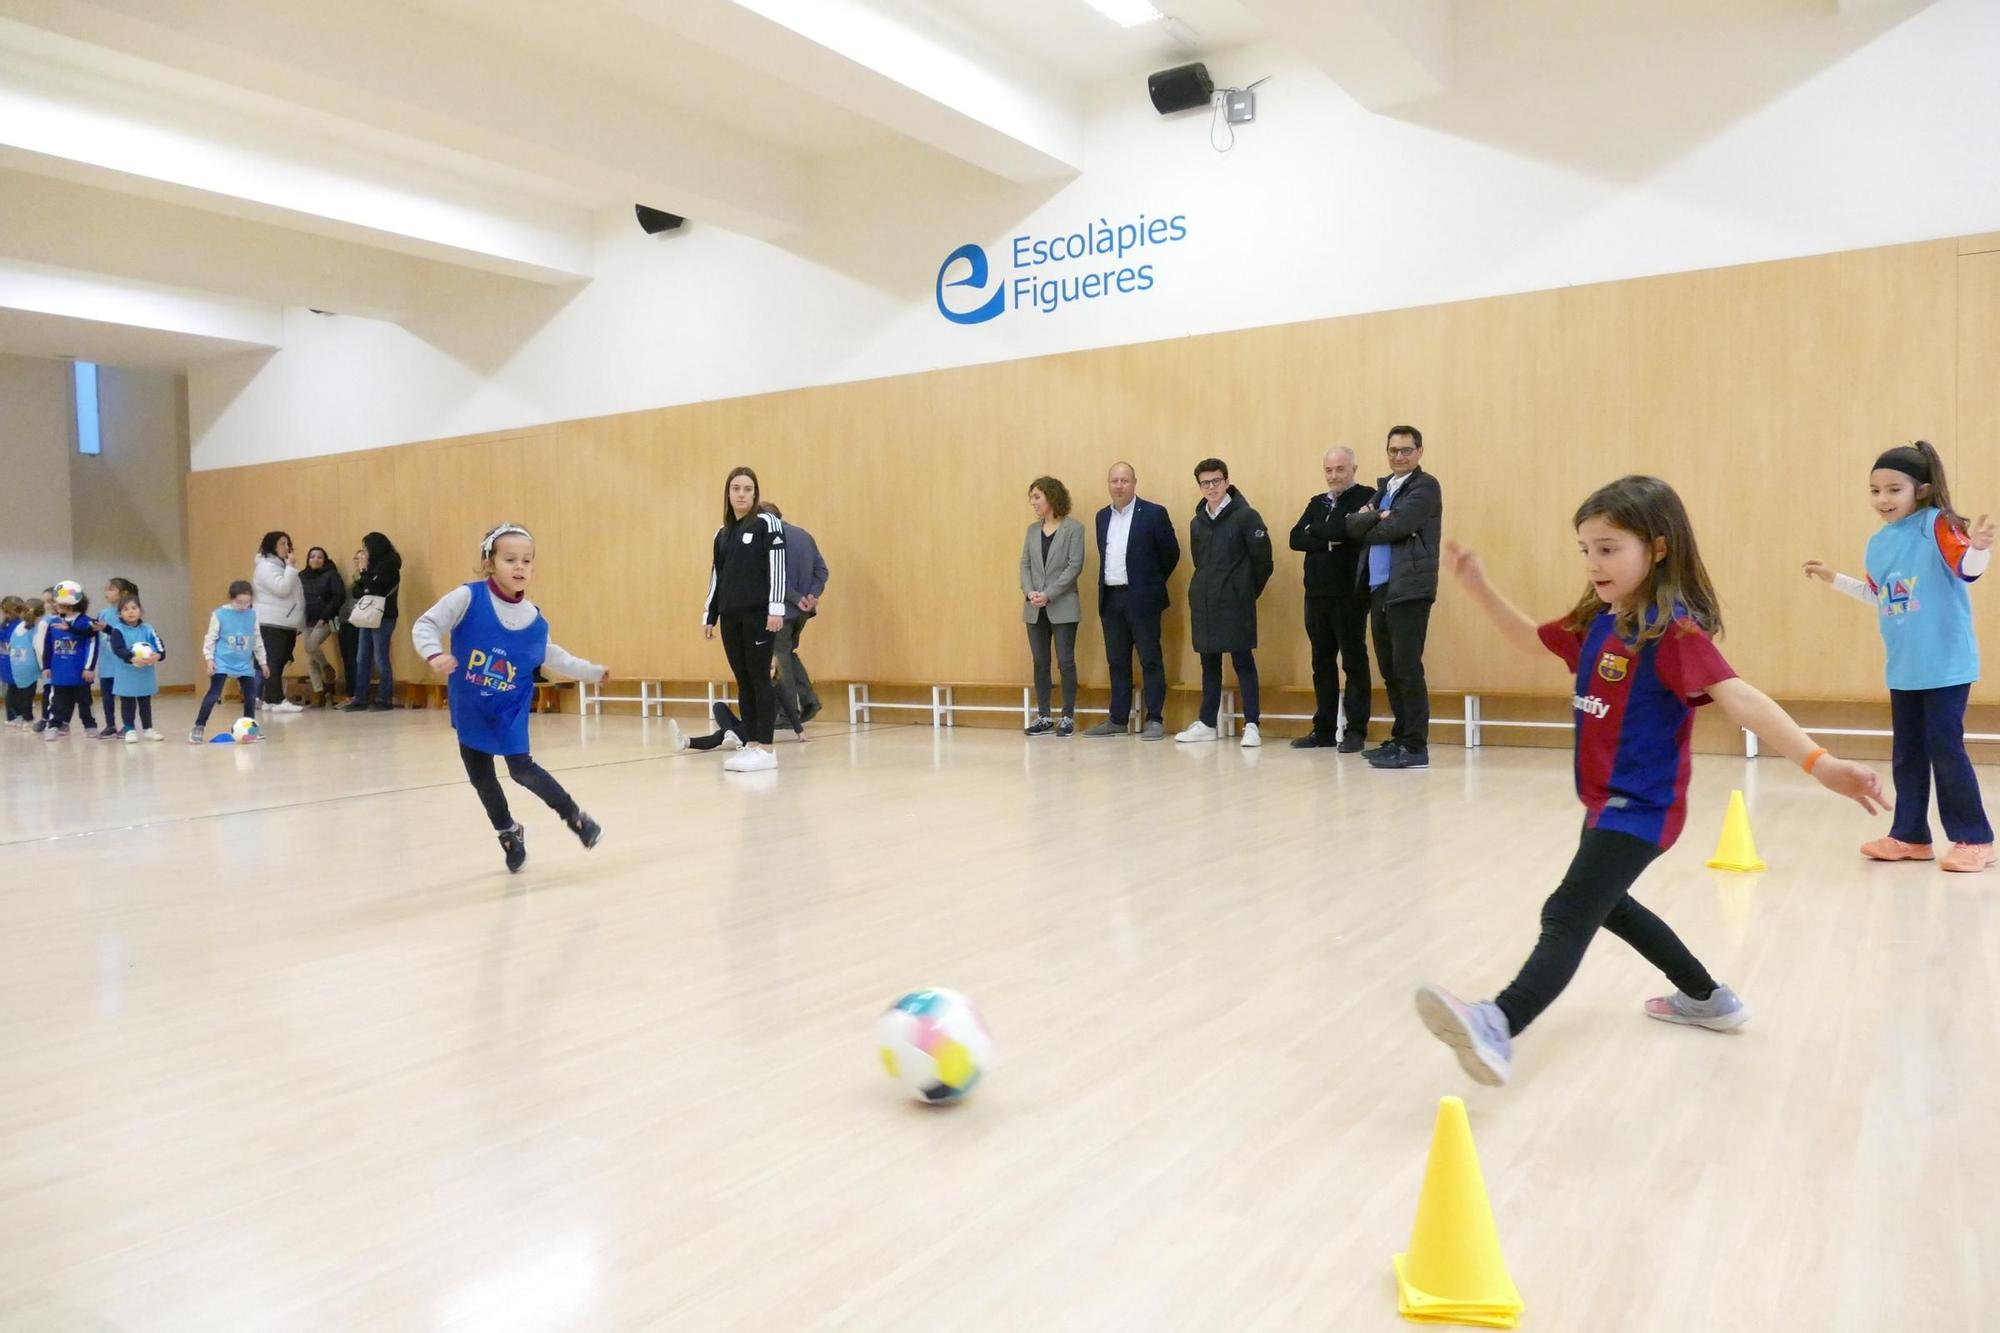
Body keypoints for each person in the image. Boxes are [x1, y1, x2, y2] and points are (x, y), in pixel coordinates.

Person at [1416, 475, 1886, 1087]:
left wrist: (1822, 765)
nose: (1593, 563)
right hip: (1605, 804)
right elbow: (1530, 640)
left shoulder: (1673, 632)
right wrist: (1480, 589)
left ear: (1657, 548)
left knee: (1568, 908)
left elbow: (1740, 696)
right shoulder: (1600, 622)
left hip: (1643, 809)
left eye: (1609, 548)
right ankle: (1707, 998)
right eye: (1585, 548)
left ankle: (1498, 1022)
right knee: (1609, 906)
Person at [1804, 441, 1994, 872]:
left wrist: (1980, 547)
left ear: (1921, 490)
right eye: (1875, 491)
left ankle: (1975, 837)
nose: (1883, 499)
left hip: (1946, 663)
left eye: (1893, 490)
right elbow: (1881, 596)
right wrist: (1834, 579)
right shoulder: (1878, 543)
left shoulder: (1938, 524)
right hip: (1905, 667)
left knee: (1944, 747)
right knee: (1908, 752)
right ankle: (1910, 836)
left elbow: (1968, 568)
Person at [415, 523, 606, 873]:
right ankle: (508, 833)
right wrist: (433, 654)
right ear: (489, 562)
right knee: (481, 778)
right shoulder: (468, 598)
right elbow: (425, 625)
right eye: (510, 559)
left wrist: (590, 672)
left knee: (523, 770)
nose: (520, 567)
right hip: (471, 704)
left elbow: (552, 655)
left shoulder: (533, 619)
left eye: (527, 561)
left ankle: (576, 818)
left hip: (507, 708)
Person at [1347, 425, 1443, 770]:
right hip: (1379, 588)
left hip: (1409, 588)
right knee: (1389, 668)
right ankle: (1400, 738)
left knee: (1407, 667)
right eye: (1393, 450)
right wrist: (1377, 516)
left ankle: (1416, 746)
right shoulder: (1384, 488)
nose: (1399, 456)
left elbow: (1395, 527)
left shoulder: (1425, 486)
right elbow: (1352, 526)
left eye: (1406, 450)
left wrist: (1374, 520)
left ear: (1419, 451)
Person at [1178, 458, 1274, 748]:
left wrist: (1243, 591)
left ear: (1227, 481)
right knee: (1209, 662)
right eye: (1205, 483)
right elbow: (1200, 562)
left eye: (1216, 481)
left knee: (1243, 661)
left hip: (1236, 601)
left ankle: (1252, 724)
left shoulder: (1247, 516)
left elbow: (1263, 563)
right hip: (1206, 602)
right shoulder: (1197, 522)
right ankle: (1207, 722)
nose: (1211, 487)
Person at [1288, 446, 1377, 751]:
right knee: (1321, 663)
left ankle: (1355, 730)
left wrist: (1320, 534)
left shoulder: (1366, 496)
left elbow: (1351, 532)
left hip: (1349, 594)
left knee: (1353, 662)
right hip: (1316, 595)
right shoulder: (1317, 502)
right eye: (1328, 470)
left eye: (1340, 469)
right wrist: (1329, 537)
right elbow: (1295, 537)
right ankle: (1324, 728)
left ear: (1353, 468)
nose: (1334, 475)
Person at [1085, 462, 1181, 740]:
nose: (1119, 485)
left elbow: (1170, 554)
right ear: (1108, 484)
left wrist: (1149, 583)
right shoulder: (1102, 517)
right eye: (1114, 480)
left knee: (1150, 659)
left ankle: (1154, 718)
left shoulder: (1153, 513)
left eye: (1124, 480)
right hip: (1111, 598)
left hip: (1143, 599)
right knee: (1116, 661)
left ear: (1134, 483)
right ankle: (1117, 719)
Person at [703, 466, 787, 772]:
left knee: (759, 678)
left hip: (759, 616)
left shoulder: (767, 523)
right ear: (728, 493)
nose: (741, 494)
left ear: (755, 493)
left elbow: (778, 566)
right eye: (736, 488)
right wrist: (710, 613)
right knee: (743, 680)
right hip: (730, 616)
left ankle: (766, 747)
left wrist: (775, 609)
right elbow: (718, 576)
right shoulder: (722, 534)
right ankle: (751, 743)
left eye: (747, 489)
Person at [1019, 476, 1087, 737]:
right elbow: (1024, 564)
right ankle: (1044, 715)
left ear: (1051, 496)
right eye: (1031, 498)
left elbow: (1074, 566)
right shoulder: (1031, 531)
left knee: (1066, 661)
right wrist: (1030, 592)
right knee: (1040, 661)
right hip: (1034, 606)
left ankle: (1067, 717)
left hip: (1063, 605)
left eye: (1037, 497)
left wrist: (1049, 594)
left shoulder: (1074, 529)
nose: (1033, 503)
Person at [759, 502, 829, 738]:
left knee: (779, 658)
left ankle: (788, 713)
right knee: (788, 653)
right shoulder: (803, 535)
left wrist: (797, 598)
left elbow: (774, 575)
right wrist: (812, 595)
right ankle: (809, 700)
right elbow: (821, 570)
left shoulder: (770, 540)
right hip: (803, 611)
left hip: (781, 610)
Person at [191, 579, 268, 744]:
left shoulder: (252, 615)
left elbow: (256, 639)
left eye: (247, 602)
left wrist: (262, 662)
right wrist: (209, 659)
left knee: (250, 695)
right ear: (230, 598)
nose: (243, 606)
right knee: (214, 693)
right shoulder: (219, 615)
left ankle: (250, 727)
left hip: (244, 662)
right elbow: (210, 638)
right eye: (239, 602)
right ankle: (199, 726)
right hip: (222, 661)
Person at [345, 531, 402, 712]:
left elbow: (374, 588)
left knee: (380, 657)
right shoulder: (371, 567)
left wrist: (364, 571)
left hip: (384, 616)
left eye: (365, 548)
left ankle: (384, 698)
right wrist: (362, 573)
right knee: (362, 657)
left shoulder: (390, 566)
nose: (364, 553)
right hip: (368, 616)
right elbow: (357, 592)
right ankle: (360, 697)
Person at [35, 583, 98, 741]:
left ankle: (89, 725)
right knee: (58, 701)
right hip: (60, 671)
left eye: (57, 601)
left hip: (80, 671)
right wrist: (46, 666)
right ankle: (54, 725)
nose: (54, 605)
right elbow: (48, 646)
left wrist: (89, 667)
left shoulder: (87, 623)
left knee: (84, 701)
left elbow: (92, 645)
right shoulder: (53, 623)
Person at [253, 533, 306, 713]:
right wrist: (291, 567)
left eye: (288, 543)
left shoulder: (280, 565)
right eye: (282, 543)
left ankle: (269, 699)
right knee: (273, 661)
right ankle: (276, 700)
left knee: (280, 660)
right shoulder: (265, 567)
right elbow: (282, 589)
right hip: (271, 622)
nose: (287, 547)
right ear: (271, 546)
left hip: (285, 622)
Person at [103, 595, 165, 741]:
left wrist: (158, 655)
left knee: (145, 701)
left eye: (134, 608)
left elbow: (160, 646)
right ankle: (129, 729)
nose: (130, 612)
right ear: (120, 614)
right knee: (127, 702)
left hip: (145, 673)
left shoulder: (148, 629)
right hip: (126, 673)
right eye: (126, 609)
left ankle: (148, 728)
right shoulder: (117, 631)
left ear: (140, 611)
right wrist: (131, 658)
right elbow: (118, 649)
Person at [299, 545, 347, 707]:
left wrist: (325, 616)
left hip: (325, 620)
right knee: (311, 658)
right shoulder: (301, 576)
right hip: (307, 620)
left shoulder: (331, 575)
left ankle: (327, 667)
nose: (316, 559)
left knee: (310, 646)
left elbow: (338, 596)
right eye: (312, 556)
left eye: (319, 557)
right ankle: (319, 693)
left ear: (324, 560)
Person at [91, 577, 138, 737]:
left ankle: (128, 725)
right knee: (107, 697)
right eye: (106, 589)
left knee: (127, 696)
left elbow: (125, 635)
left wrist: (107, 629)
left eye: (111, 589)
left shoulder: (128, 613)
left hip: (123, 663)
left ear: (123, 593)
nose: (106, 592)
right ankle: (110, 724)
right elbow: (95, 637)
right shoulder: (103, 613)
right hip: (106, 663)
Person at [4, 598, 38, 730]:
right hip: (22, 665)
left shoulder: (19, 626)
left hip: (18, 665)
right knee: (24, 694)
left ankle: (22, 717)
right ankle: (24, 718)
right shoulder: (31, 627)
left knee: (18, 692)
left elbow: (11, 646)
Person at [338, 547, 365, 703]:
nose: (358, 562)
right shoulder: (355, 577)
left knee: (357, 658)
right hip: (346, 622)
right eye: (356, 559)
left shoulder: (367, 578)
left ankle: (357, 694)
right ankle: (350, 693)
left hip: (358, 622)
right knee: (348, 659)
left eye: (361, 558)